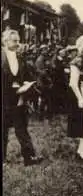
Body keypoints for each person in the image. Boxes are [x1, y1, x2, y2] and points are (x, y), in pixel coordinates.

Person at [1, 29, 43, 166]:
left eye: (18, 40)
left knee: (22, 128)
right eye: (15, 41)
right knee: (2, 130)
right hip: (3, 98)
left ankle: (29, 157)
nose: (18, 43)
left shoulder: (20, 57)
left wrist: (26, 84)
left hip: (19, 98)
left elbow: (25, 75)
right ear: (5, 41)